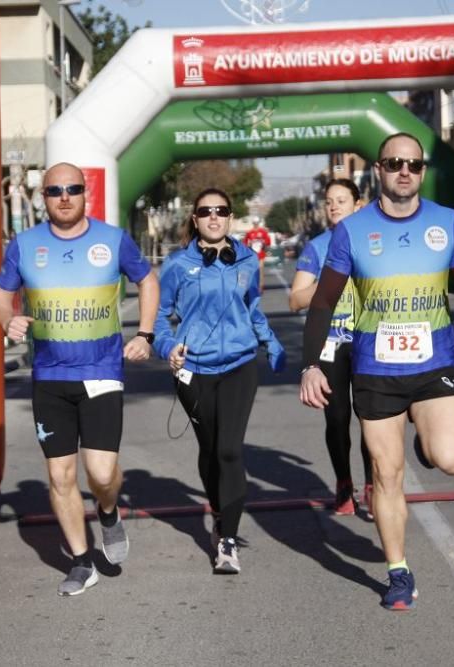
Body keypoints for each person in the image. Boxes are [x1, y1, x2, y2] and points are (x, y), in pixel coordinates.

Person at [299, 132, 454, 611]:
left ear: (422, 172)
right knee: (386, 472)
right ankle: (398, 572)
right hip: (375, 369)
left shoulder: (446, 222)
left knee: (452, 459)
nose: (404, 171)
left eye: (413, 164)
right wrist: (311, 365)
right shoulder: (352, 231)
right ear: (379, 171)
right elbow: (322, 301)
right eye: (393, 163)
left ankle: (426, 437)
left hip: (433, 363)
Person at [0, 161, 159, 597]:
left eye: (72, 189)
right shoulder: (25, 245)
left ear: (85, 193)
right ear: (42, 197)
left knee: (101, 475)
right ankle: (82, 562)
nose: (64, 196)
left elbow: (148, 279)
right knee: (61, 476)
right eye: (54, 190)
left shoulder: (112, 239)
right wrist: (8, 319)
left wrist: (144, 334)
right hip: (49, 376)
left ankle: (107, 511)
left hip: (102, 370)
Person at [154, 187, 286, 575]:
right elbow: (161, 317)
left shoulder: (247, 259)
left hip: (240, 366)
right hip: (193, 370)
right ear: (194, 220)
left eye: (221, 210)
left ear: (230, 217)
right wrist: (166, 347)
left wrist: (270, 341)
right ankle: (217, 510)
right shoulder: (178, 265)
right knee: (210, 451)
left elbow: (254, 308)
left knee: (229, 450)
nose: (214, 217)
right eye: (205, 211)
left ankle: (227, 539)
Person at [289, 178, 373, 517]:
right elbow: (295, 299)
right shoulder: (317, 247)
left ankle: (373, 485)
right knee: (337, 419)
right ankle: (343, 482)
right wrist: (327, 283)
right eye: (328, 201)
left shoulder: (371, 240)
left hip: (368, 341)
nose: (334, 206)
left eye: (341, 200)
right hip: (331, 345)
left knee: (373, 418)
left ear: (358, 205)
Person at [243, 218, 272, 293]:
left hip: (261, 254)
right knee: (253, 271)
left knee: (260, 269)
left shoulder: (263, 232)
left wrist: (264, 244)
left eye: (257, 223)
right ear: (253, 223)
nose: (256, 224)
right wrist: (248, 245)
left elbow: (268, 242)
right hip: (252, 255)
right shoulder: (249, 233)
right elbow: (245, 243)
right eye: (254, 223)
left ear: (258, 223)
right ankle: (253, 286)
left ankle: (260, 286)